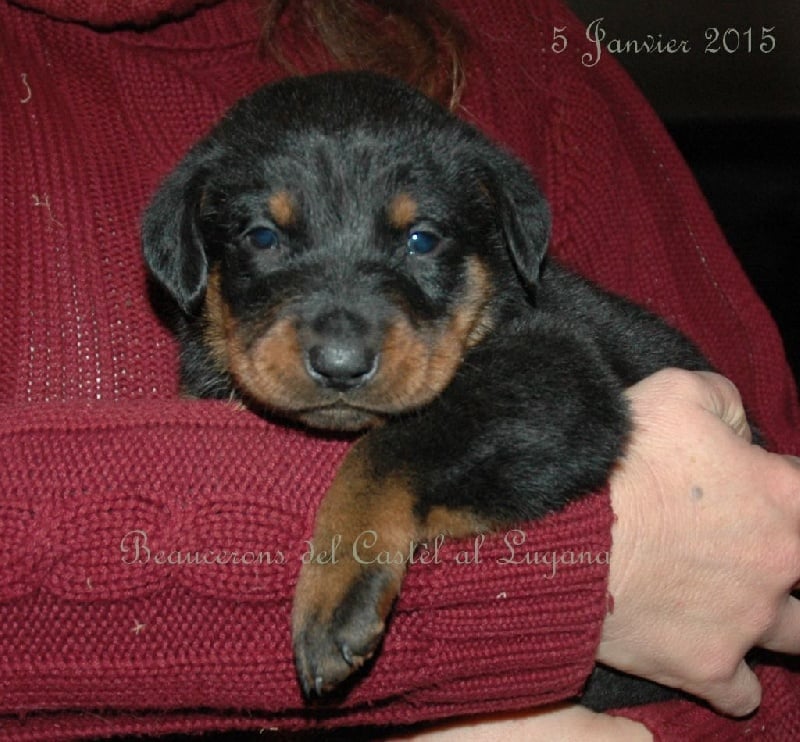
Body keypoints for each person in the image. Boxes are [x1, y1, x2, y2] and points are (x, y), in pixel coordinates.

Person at [0, 1, 798, 740]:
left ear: (499, 247)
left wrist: (378, 503)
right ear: (187, 251)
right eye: (264, 240)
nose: (343, 353)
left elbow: (577, 414)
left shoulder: (525, 52)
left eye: (421, 243)